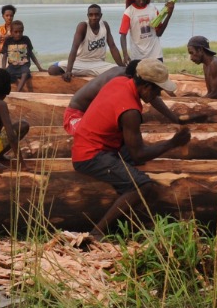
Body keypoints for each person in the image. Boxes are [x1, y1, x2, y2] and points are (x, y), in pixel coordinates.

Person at [70, 58, 191, 236]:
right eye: (157, 90)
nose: (157, 95)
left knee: (137, 162)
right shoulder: (130, 111)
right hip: (90, 155)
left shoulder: (121, 82)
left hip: (97, 143)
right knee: (142, 186)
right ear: (146, 87)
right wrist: (172, 143)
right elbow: (138, 154)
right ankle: (97, 233)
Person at [62, 61, 186, 135]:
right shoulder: (118, 81)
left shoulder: (132, 78)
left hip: (90, 115)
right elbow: (101, 113)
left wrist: (174, 118)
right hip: (76, 117)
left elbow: (152, 98)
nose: (157, 93)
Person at [49, 3, 124, 80]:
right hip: (80, 62)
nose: (94, 17)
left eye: (96, 15)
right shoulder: (83, 26)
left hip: (98, 64)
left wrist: (122, 66)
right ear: (88, 16)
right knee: (52, 69)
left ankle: (83, 74)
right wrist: (68, 71)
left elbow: (112, 47)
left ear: (101, 15)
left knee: (120, 71)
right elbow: (74, 48)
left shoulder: (105, 26)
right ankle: (76, 76)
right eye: (91, 15)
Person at [119, 0, 175, 64]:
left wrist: (169, 15)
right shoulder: (129, 12)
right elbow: (123, 35)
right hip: (137, 56)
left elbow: (159, 33)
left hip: (155, 54)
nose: (141, 1)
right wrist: (125, 54)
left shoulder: (153, 9)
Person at [0, 20, 45, 91]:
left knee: (25, 73)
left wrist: (39, 67)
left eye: (21, 32)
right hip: (12, 66)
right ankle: (4, 91)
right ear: (11, 32)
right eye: (16, 32)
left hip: (24, 66)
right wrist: (3, 68)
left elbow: (31, 54)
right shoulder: (8, 41)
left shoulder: (26, 39)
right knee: (4, 75)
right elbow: (5, 56)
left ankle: (18, 91)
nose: (18, 34)